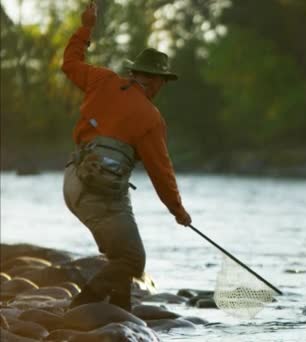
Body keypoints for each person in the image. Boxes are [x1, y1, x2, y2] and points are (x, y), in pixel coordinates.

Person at [61, 1, 192, 312]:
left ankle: (120, 315)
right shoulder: (150, 118)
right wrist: (178, 210)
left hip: (72, 182)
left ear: (134, 72)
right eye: (164, 81)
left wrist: (86, 27)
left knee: (120, 254)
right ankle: (77, 310)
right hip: (99, 195)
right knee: (132, 259)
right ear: (157, 80)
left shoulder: (102, 79)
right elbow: (162, 172)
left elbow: (69, 62)